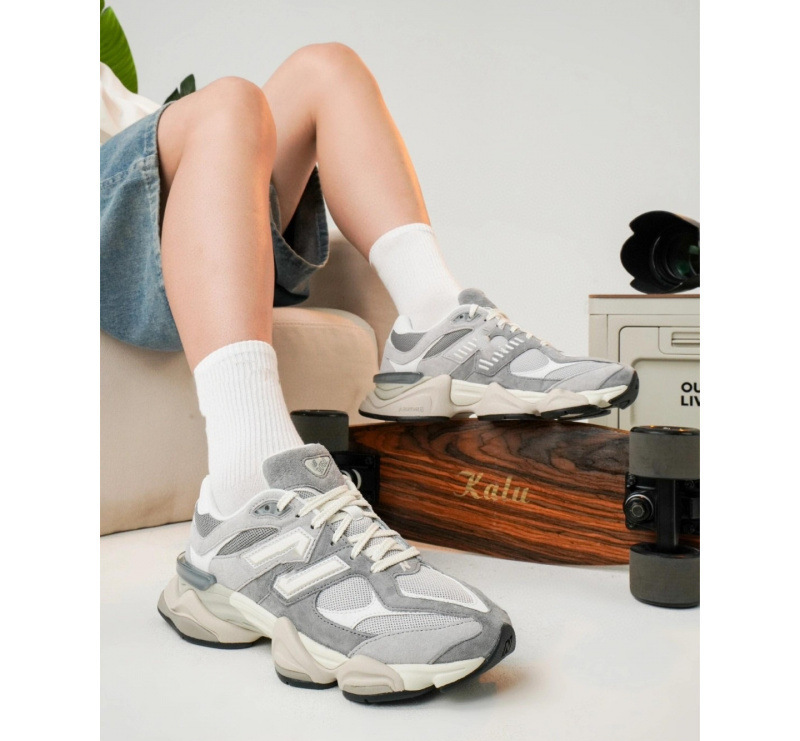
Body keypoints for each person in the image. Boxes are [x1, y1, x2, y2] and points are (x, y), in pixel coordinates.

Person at [101, 43, 636, 703]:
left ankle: (434, 321)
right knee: (229, 102)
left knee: (325, 67)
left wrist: (216, 156)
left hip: (169, 190)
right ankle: (249, 489)